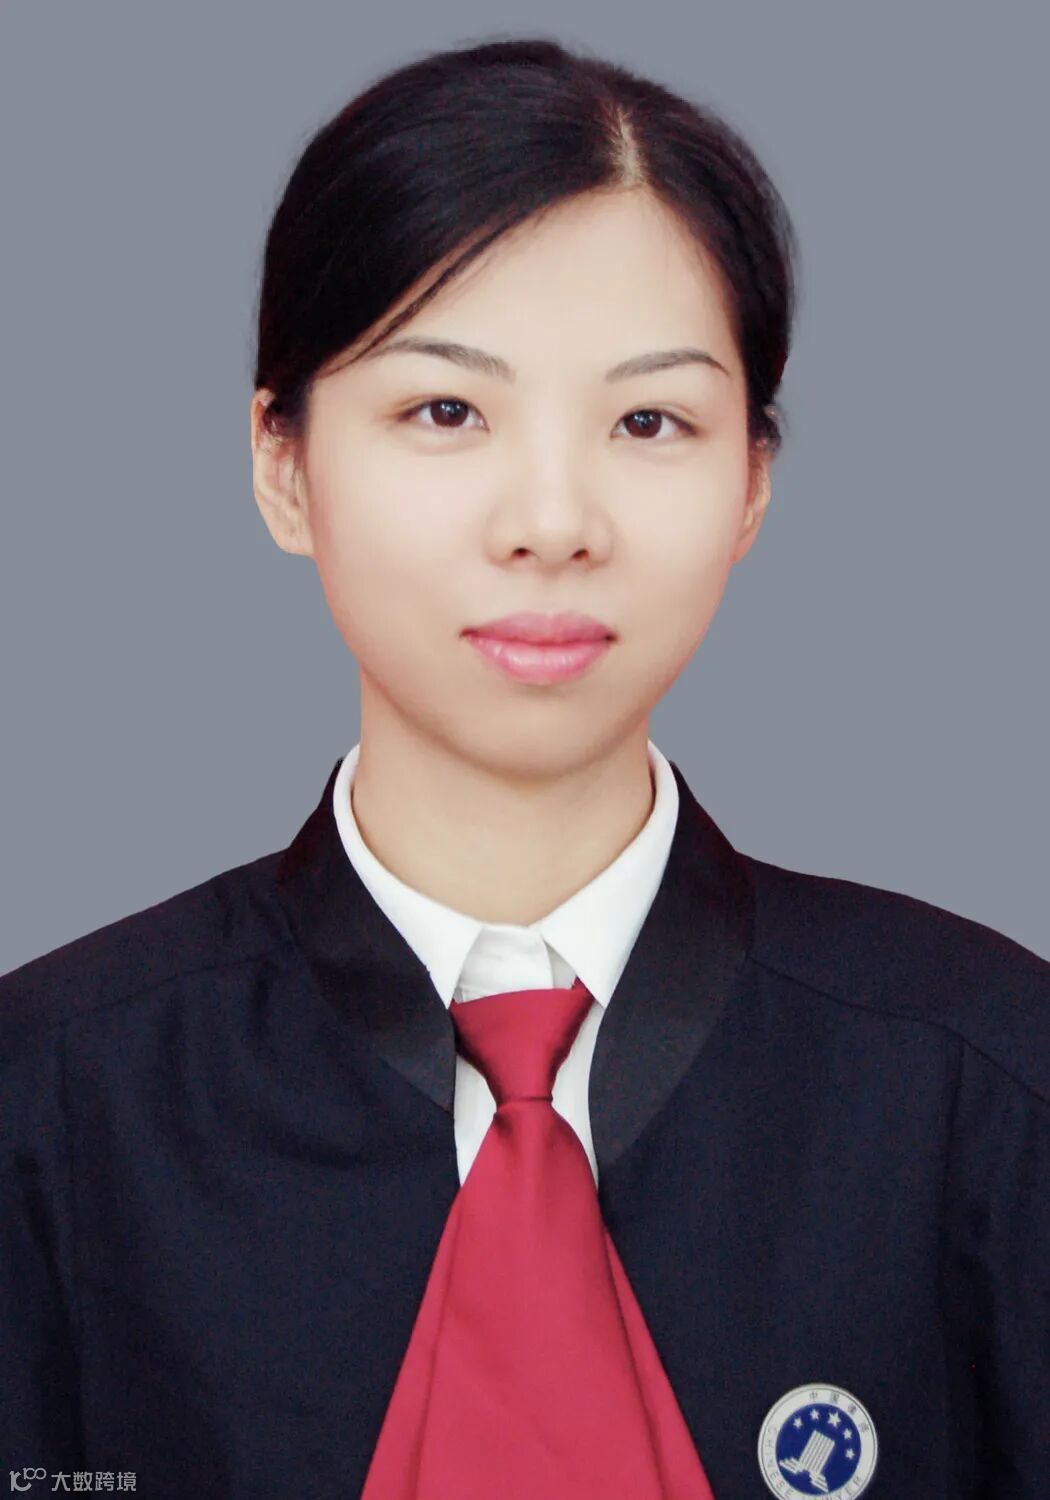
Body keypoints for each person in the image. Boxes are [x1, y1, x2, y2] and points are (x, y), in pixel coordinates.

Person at [1, 33, 1047, 1500]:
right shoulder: (50, 1100)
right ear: (283, 464)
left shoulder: (987, 1082)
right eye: (445, 411)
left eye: (648, 421)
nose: (552, 521)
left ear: (752, 481)